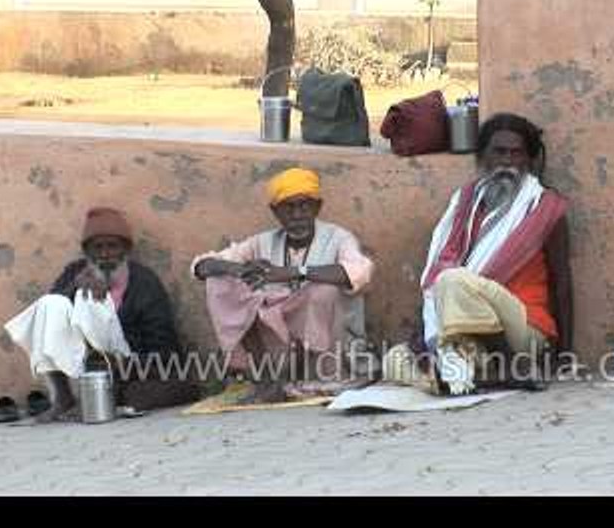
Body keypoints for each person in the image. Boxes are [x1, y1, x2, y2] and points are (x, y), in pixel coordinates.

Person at [388, 113, 572, 395]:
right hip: (470, 335)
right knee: (395, 361)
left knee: (452, 280)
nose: (507, 161)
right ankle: (486, 375)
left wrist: (565, 355)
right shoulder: (464, 203)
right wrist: (425, 330)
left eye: (516, 153)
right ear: (482, 157)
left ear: (530, 161)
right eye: (499, 152)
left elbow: (562, 283)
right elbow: (433, 282)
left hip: (523, 330)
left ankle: (506, 366)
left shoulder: (545, 209)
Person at [191, 167, 375, 402]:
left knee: (324, 289)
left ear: (317, 207)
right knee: (219, 281)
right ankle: (267, 379)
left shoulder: (338, 238)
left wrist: (293, 273)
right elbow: (201, 266)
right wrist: (240, 269)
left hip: (332, 349)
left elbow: (361, 271)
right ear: (275, 212)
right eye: (288, 208)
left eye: (304, 206)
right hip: (280, 349)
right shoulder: (262, 242)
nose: (297, 215)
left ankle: (321, 377)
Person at [4, 207, 196, 422]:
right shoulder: (74, 272)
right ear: (88, 252)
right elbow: (49, 320)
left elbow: (165, 351)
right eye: (98, 247)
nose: (105, 254)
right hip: (80, 367)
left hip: (126, 364)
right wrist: (75, 289)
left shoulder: (144, 282)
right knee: (51, 303)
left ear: (125, 250)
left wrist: (121, 365)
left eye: (112, 246)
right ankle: (63, 397)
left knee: (156, 391)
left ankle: (104, 396)